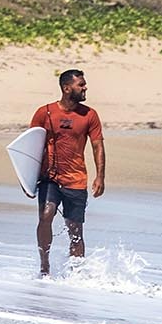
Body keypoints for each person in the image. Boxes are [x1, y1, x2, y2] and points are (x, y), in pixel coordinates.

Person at [31, 69, 105, 276]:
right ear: (66, 88)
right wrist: (27, 180)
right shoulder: (44, 113)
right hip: (49, 178)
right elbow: (30, 146)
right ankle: (44, 266)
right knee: (46, 216)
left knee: (75, 230)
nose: (85, 88)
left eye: (84, 84)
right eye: (81, 85)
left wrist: (100, 176)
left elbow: (97, 146)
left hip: (76, 180)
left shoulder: (89, 115)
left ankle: (76, 274)